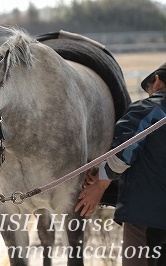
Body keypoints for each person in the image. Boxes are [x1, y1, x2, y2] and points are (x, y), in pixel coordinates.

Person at [74, 62, 166, 266]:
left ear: (157, 81)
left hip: (148, 218)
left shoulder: (148, 110)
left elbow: (125, 152)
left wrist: (100, 184)